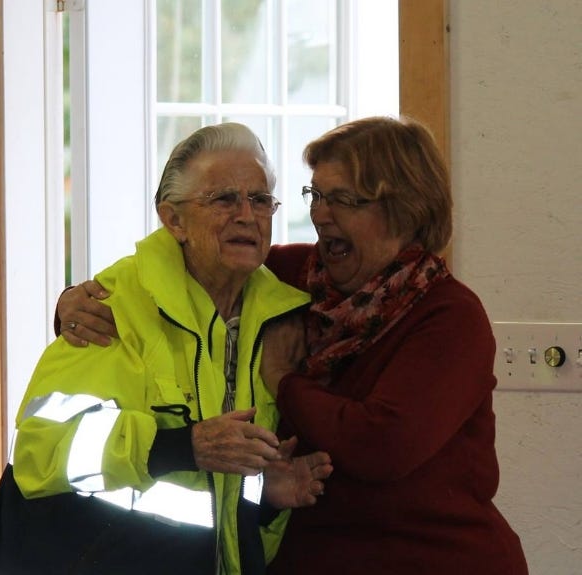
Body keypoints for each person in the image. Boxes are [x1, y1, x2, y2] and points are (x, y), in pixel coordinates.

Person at [53, 116, 529, 574]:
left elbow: (381, 444)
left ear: (404, 209)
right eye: (315, 195)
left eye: (343, 199)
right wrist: (78, 302)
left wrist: (284, 381)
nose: (320, 215)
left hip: (430, 561)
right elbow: (190, 262)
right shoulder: (297, 277)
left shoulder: (448, 316)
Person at [0, 123, 332, 575]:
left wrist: (264, 495)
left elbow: (215, 498)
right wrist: (179, 445)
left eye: (260, 199)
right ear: (174, 220)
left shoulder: (283, 316)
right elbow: (40, 450)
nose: (247, 214)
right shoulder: (113, 304)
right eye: (224, 199)